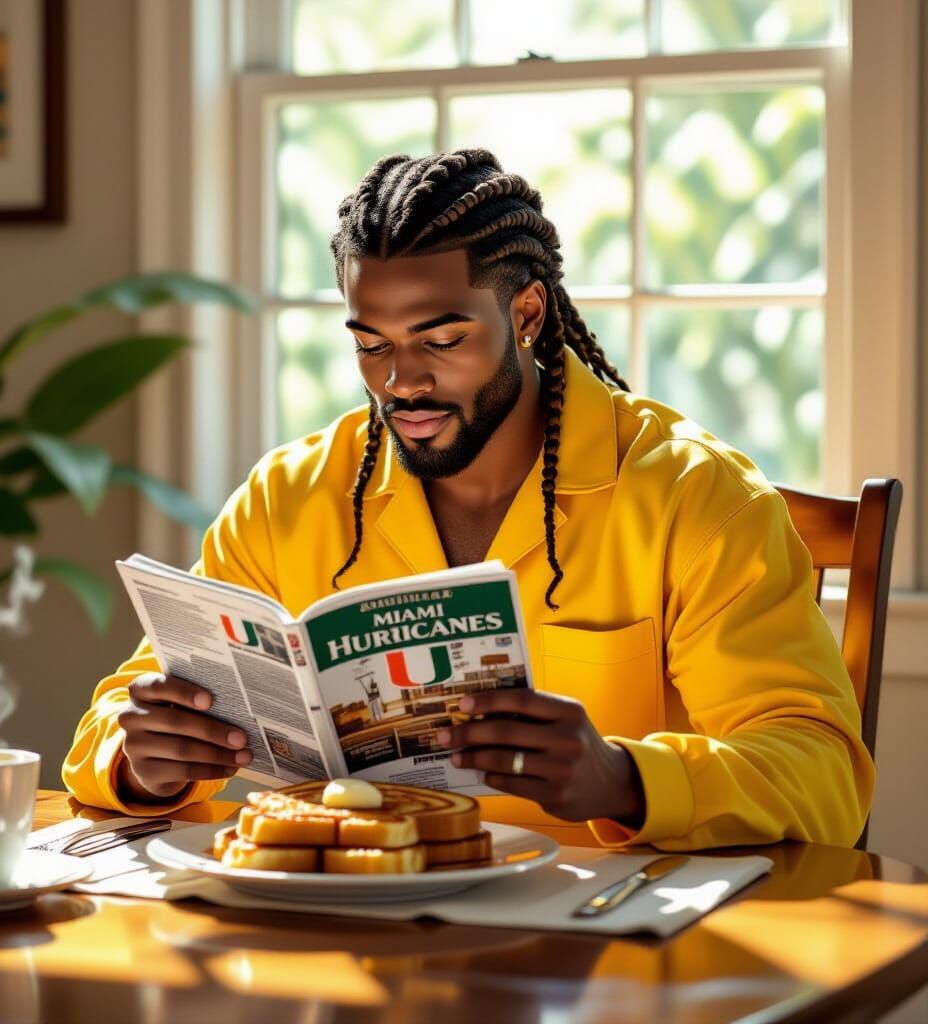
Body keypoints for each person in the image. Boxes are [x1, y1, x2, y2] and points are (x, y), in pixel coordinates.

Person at [63, 149, 873, 849]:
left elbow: (825, 773)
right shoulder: (286, 499)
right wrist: (140, 761)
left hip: (604, 957)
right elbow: (112, 723)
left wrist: (626, 778)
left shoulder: (696, 495)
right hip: (349, 950)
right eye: (371, 345)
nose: (400, 382)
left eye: (441, 341)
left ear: (525, 312)